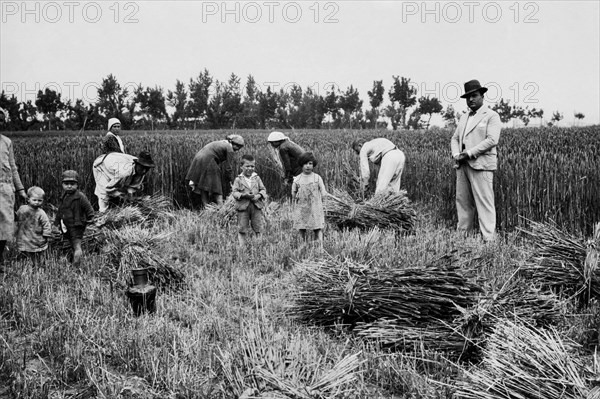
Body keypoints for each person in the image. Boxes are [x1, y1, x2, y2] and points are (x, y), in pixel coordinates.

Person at [450, 79, 502, 242]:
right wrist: (457, 154)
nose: (471, 100)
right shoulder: (464, 117)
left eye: (474, 96)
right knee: (463, 201)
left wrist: (470, 153)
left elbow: (492, 140)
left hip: (482, 166)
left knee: (484, 202)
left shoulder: (492, 116)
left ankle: (488, 239)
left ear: (482, 96)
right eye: (468, 97)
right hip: (462, 165)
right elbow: (455, 138)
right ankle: (463, 236)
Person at [0, 107, 28, 268]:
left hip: (4, 189)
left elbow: (12, 167)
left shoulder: (6, 142)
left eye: (1, 120)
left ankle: (0, 259)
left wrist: (21, 190)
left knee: (5, 225)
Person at [186, 134, 245, 207]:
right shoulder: (230, 149)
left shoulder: (223, 143)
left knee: (203, 184)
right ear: (234, 144)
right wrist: (231, 181)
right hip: (208, 160)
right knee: (216, 184)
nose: (238, 150)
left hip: (198, 159)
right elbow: (228, 168)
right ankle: (221, 207)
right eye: (238, 147)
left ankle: (206, 207)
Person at [54, 170, 95, 267]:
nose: (69, 186)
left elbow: (90, 211)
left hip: (77, 226)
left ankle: (76, 266)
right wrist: (56, 223)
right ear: (62, 184)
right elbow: (60, 211)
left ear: (77, 185)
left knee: (77, 246)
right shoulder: (64, 196)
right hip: (66, 226)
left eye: (72, 184)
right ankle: (73, 260)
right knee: (71, 245)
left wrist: (90, 222)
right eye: (66, 184)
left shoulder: (80, 197)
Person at [292, 152, 328, 244]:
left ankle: (320, 245)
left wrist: (325, 198)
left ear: (313, 165)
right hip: (302, 207)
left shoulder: (317, 178)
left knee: (317, 227)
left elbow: (323, 191)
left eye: (310, 163)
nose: (308, 166)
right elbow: (293, 192)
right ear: (301, 165)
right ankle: (302, 245)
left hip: (315, 206)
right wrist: (296, 197)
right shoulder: (298, 179)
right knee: (302, 226)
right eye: (305, 164)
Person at [232, 155, 268, 246]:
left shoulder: (257, 178)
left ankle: (257, 246)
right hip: (243, 207)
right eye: (247, 166)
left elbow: (263, 189)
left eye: (252, 166)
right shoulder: (238, 179)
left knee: (258, 227)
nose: (250, 168)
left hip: (256, 206)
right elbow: (234, 192)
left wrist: (259, 195)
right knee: (242, 228)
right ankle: (242, 247)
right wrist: (243, 195)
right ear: (241, 167)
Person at [15, 186, 52, 263]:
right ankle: (23, 262)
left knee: (35, 253)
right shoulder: (22, 209)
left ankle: (36, 263)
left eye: (39, 200)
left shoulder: (41, 213)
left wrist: (46, 235)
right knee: (23, 250)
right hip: (24, 235)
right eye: (34, 200)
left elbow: (46, 224)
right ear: (28, 199)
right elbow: (16, 218)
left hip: (36, 237)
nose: (36, 202)